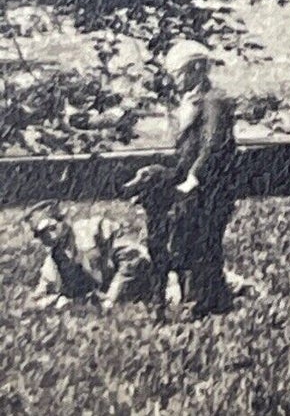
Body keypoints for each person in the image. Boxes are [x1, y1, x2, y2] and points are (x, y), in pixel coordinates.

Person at [164, 39, 238, 318]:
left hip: (211, 185)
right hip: (190, 184)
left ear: (196, 69)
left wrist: (194, 176)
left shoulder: (214, 100)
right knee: (188, 238)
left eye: (179, 74)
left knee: (204, 240)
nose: (176, 81)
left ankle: (200, 302)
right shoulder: (190, 102)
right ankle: (214, 298)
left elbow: (213, 143)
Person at [23, 201, 155, 310]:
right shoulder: (54, 260)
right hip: (104, 303)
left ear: (63, 220)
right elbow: (38, 297)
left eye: (51, 228)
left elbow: (133, 258)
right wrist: (57, 300)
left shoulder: (95, 229)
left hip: (145, 289)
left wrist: (111, 297)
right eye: (40, 234)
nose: (48, 237)